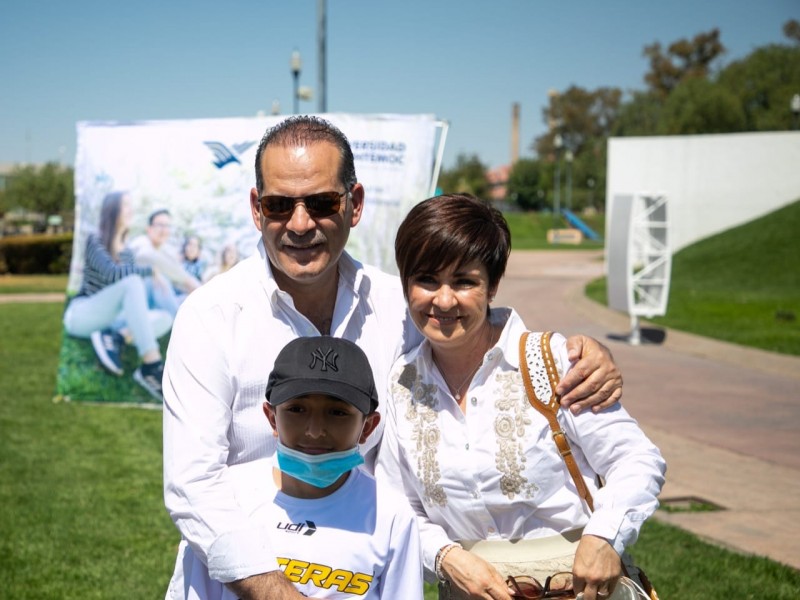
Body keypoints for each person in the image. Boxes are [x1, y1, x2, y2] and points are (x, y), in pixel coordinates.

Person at [162, 116, 624, 600]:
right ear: (257, 209)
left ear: (354, 204)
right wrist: (277, 592)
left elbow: (475, 343)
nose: (300, 224)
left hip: (363, 571)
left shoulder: (395, 308)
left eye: (321, 203)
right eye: (280, 205)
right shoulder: (211, 317)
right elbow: (193, 485)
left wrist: (577, 354)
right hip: (240, 584)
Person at [376, 194, 666, 600]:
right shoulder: (401, 384)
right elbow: (396, 505)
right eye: (426, 279)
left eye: (464, 281)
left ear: (492, 285)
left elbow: (635, 458)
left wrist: (604, 536)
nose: (443, 300)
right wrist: (445, 556)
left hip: (573, 588)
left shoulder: (550, 361)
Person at [176, 336, 423, 599]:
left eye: (337, 412)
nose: (315, 430)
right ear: (272, 418)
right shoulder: (224, 499)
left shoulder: (391, 516)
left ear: (368, 427)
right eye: (297, 409)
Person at [63, 191, 171, 401]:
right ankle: (152, 366)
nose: (131, 210)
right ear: (113, 210)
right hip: (82, 314)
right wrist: (150, 271)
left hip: (112, 321)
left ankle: (116, 337)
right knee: (133, 282)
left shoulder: (127, 252)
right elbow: (112, 274)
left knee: (165, 318)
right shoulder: (95, 240)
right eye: (126, 205)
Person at [129, 208, 201, 315]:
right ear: (149, 229)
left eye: (167, 226)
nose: (164, 230)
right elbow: (147, 257)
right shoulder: (140, 244)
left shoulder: (164, 249)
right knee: (157, 280)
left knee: (189, 301)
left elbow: (180, 279)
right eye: (160, 225)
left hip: (157, 302)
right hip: (137, 302)